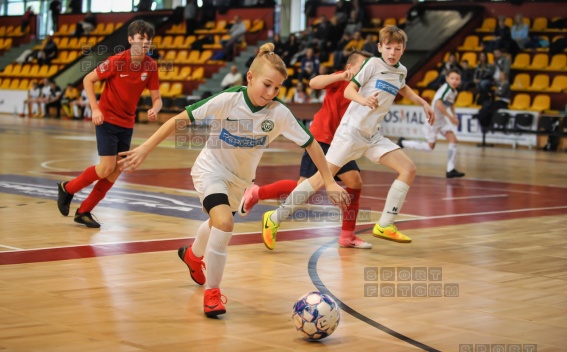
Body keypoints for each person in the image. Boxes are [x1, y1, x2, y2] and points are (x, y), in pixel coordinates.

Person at [116, 43, 349, 317]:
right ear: (249, 77)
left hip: (240, 181)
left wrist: (329, 181)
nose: (271, 93)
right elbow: (179, 119)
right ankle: (213, 293)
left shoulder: (279, 114)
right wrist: (145, 148)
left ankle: (193, 255)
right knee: (225, 223)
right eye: (267, 85)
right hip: (210, 169)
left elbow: (311, 145)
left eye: (277, 88)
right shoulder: (228, 99)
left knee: (218, 223)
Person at [260, 25, 435, 250]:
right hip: (350, 133)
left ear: (403, 50)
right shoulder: (371, 64)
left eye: (397, 48)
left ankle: (385, 224)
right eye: (388, 47)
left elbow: (403, 88)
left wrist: (422, 102)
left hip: (372, 136)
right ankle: (274, 219)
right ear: (380, 47)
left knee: (408, 169)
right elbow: (348, 91)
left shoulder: (400, 71)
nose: (392, 52)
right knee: (319, 181)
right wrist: (364, 101)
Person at [238, 50, 373, 249]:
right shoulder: (341, 79)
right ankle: (257, 194)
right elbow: (314, 83)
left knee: (354, 181)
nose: (365, 71)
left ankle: (347, 235)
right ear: (349, 68)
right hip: (322, 138)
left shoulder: (365, 88)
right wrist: (341, 76)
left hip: (342, 141)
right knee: (303, 188)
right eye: (362, 66)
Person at [56, 20, 161, 228]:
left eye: (149, 40)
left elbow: (157, 99)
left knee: (115, 171)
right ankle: (68, 188)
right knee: (106, 167)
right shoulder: (116, 61)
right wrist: (95, 109)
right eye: (141, 38)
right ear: (131, 39)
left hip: (127, 124)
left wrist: (155, 108)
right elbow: (88, 79)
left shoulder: (151, 66)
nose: (145, 43)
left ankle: (84, 211)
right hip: (107, 120)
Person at [397, 69, 465, 178]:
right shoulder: (445, 89)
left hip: (441, 121)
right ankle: (403, 142)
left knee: (454, 140)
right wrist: (451, 118)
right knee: (430, 147)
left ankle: (450, 169)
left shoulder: (454, 92)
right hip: (432, 120)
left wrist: (454, 116)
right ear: (447, 79)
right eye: (452, 78)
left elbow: (451, 104)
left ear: (460, 81)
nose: (454, 81)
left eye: (457, 79)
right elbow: (438, 105)